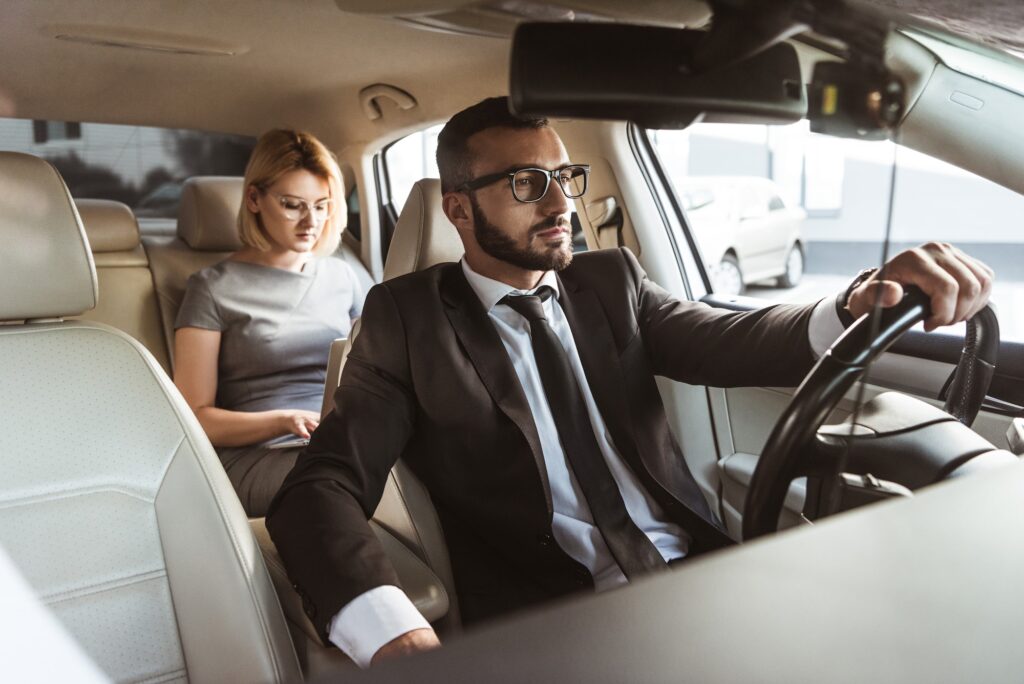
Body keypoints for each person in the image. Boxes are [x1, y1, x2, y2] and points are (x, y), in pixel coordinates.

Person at [265, 97, 993, 667]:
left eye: (565, 178)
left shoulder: (610, 281)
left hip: (701, 578)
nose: (559, 204)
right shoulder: (405, 318)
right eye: (527, 184)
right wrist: (393, 633)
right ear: (458, 208)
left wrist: (856, 304)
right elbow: (322, 486)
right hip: (551, 620)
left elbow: (730, 340)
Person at [173, 129, 363, 517]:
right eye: (293, 204)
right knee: (337, 483)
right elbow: (195, 417)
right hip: (260, 454)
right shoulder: (212, 288)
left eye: (323, 205)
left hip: (344, 440)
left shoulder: (343, 275)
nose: (311, 221)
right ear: (254, 199)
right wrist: (285, 421)